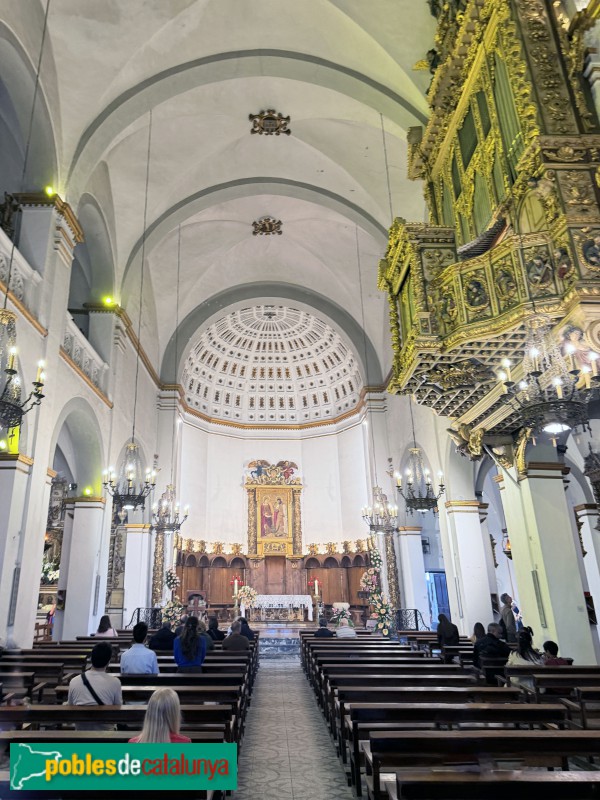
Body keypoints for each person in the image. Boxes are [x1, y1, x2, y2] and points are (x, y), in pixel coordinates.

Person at [67, 643, 122, 729]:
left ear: (91, 659)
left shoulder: (74, 681)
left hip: (80, 735)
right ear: (108, 662)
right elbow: (117, 710)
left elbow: (70, 707)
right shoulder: (115, 682)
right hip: (106, 736)